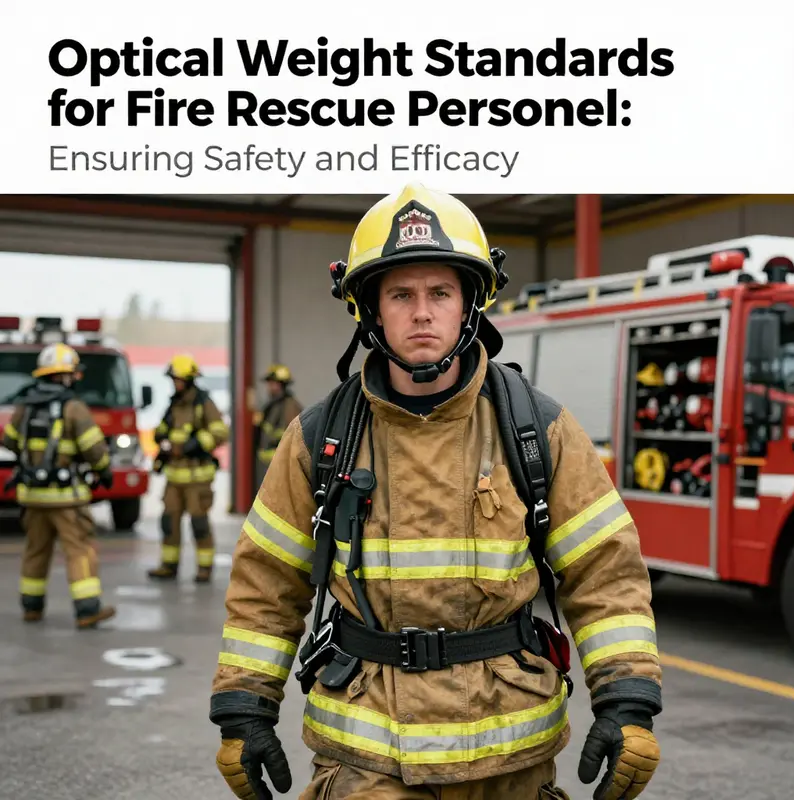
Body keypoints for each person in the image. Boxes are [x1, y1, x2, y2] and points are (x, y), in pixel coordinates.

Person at [209, 184, 663, 800]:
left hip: (508, 762)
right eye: (401, 294)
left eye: (440, 293)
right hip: (367, 763)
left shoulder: (538, 428)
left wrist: (626, 701)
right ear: (370, 309)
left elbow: (605, 573)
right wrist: (244, 709)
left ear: (470, 303)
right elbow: (267, 582)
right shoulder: (318, 438)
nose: (422, 312)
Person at [1, 342, 116, 629]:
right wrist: (104, 471)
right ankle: (87, 609)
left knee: (35, 550)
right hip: (66, 499)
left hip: (32, 497)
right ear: (64, 375)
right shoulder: (74, 408)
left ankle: (31, 607)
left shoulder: (24, 407)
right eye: (73, 374)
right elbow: (94, 449)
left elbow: (9, 441)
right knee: (79, 551)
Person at [147, 353, 229, 583]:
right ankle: (168, 565)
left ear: (189, 380)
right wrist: (161, 437)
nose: (175, 383)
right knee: (169, 523)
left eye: (178, 379)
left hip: (197, 478)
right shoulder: (174, 404)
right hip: (174, 478)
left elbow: (221, 432)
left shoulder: (204, 403)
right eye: (173, 379)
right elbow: (162, 429)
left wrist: (195, 444)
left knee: (199, 524)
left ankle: (204, 568)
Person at [253, 363, 303, 484]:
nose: (269, 387)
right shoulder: (272, 405)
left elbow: (293, 436)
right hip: (268, 464)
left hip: (280, 463)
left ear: (281, 385)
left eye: (272, 384)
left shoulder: (290, 406)